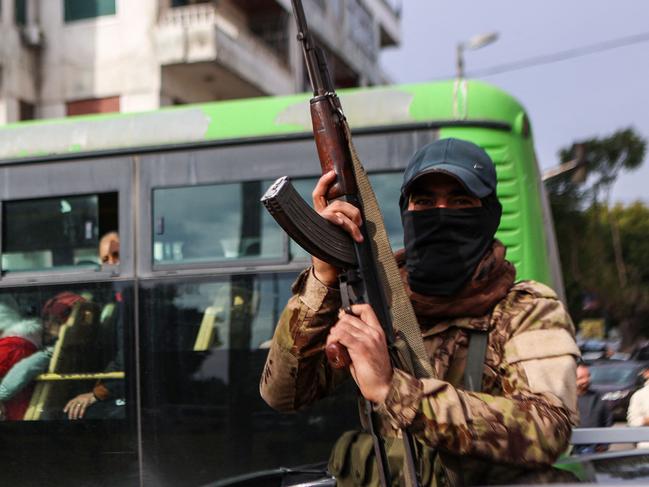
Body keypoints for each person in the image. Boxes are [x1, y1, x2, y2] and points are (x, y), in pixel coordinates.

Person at [260, 138, 580, 485]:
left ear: (488, 215)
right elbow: (283, 394)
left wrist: (393, 390)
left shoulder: (525, 308)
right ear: (406, 211)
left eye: (459, 201)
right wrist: (323, 276)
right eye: (425, 201)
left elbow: (545, 429)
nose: (440, 213)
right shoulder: (375, 302)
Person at [0, 292, 86, 420]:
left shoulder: (17, 347)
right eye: (46, 318)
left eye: (56, 321)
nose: (47, 325)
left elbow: (25, 369)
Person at [574, 362, 613, 454]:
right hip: (570, 450)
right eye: (581, 378)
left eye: (588, 376)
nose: (586, 380)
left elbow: (607, 422)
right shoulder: (564, 399)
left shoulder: (598, 397)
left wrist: (604, 444)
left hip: (594, 449)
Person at [627, 367, 649, 449]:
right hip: (646, 446)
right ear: (646, 373)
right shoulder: (639, 395)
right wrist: (646, 420)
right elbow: (632, 422)